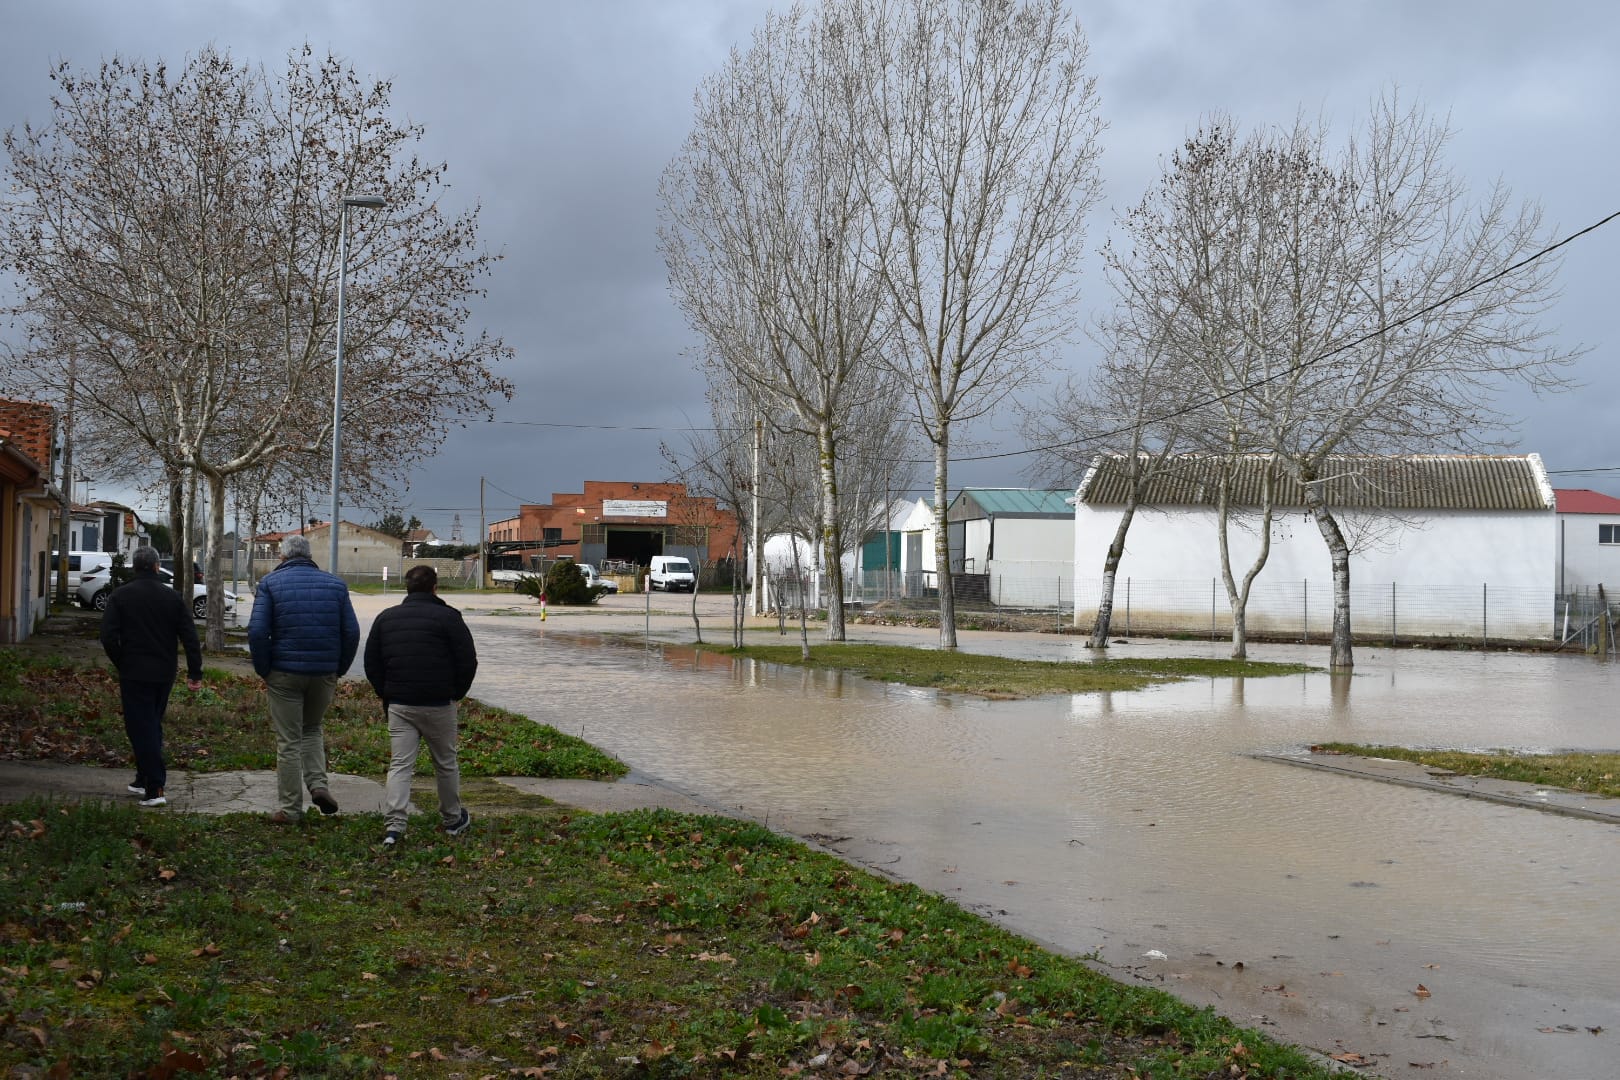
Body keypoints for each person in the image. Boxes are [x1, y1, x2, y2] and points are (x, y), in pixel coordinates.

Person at [248, 534, 360, 824]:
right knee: (312, 729)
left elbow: (258, 632)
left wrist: (264, 669)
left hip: (284, 673)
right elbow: (351, 633)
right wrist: (339, 669)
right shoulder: (336, 585)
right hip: (323, 672)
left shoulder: (270, 584)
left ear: (282, 557)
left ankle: (290, 809)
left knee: (288, 741)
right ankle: (319, 786)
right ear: (309, 556)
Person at [363, 564, 477, 846]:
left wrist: (386, 694)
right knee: (446, 763)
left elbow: (371, 663)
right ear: (435, 587)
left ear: (407, 588)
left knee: (400, 765)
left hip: (400, 704)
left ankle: (394, 826)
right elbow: (467, 661)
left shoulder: (385, 619)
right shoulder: (449, 618)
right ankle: (453, 819)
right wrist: (455, 693)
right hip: (439, 702)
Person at [99, 546, 203, 808]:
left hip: (134, 672)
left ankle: (155, 787)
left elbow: (108, 636)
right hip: (164, 672)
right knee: (151, 723)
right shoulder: (172, 597)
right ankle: (143, 778)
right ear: (157, 567)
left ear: (135, 567)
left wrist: (122, 661)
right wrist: (194, 671)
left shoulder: (120, 596)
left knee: (140, 726)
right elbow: (190, 637)